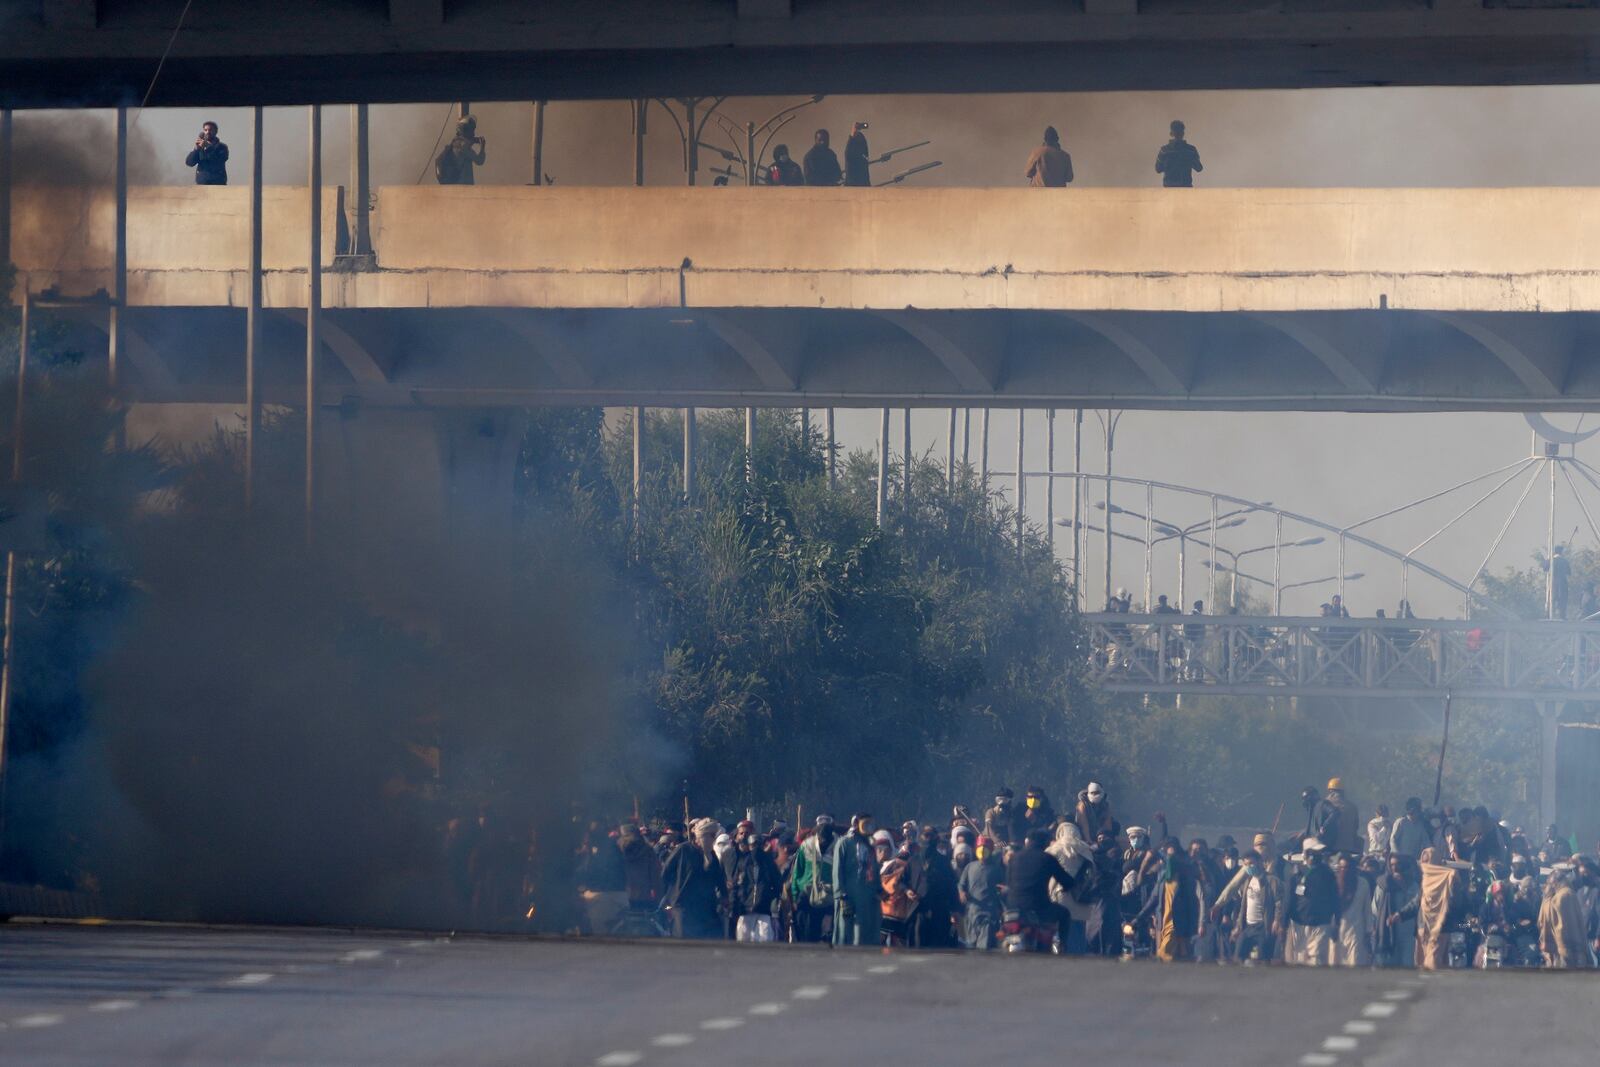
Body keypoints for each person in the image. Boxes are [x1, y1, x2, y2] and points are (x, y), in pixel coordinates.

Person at [662, 818, 728, 939]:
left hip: (706, 908)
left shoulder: (711, 855)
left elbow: (719, 878)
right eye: (712, 835)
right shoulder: (683, 850)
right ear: (703, 835)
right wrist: (665, 896)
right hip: (684, 906)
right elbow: (666, 872)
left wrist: (725, 897)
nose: (714, 839)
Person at [1212, 848, 1282, 963]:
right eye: (1246, 865)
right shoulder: (1247, 880)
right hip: (1247, 927)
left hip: (1262, 927)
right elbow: (1242, 905)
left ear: (1260, 862)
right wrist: (1238, 925)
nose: (1249, 867)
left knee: (1263, 960)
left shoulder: (1272, 881)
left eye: (1251, 863)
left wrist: (1276, 920)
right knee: (1238, 956)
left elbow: (1279, 903)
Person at [1005, 829, 1072, 938]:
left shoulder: (1015, 857)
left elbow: (1008, 882)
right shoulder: (1047, 858)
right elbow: (1066, 881)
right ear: (1044, 842)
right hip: (1038, 907)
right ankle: (1062, 946)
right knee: (1065, 914)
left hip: (1013, 905)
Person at [831, 812, 883, 947]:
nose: (869, 827)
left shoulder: (870, 846)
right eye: (866, 824)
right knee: (847, 933)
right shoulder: (844, 843)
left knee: (867, 934)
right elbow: (837, 872)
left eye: (872, 824)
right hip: (849, 897)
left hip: (868, 898)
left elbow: (875, 871)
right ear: (856, 824)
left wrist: (879, 889)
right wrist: (841, 895)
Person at [1047, 822, 1098, 954]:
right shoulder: (1086, 848)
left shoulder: (1056, 848)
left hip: (1062, 897)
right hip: (1083, 898)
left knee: (1062, 935)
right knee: (1079, 934)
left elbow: (1045, 870)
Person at [1285, 839, 1339, 965]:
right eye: (1314, 852)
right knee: (1300, 958)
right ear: (1306, 854)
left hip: (1321, 924)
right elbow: (1289, 900)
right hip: (1299, 924)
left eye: (1319, 853)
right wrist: (1283, 923)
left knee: (1317, 960)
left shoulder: (1328, 874)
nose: (1317, 856)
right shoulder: (1296, 874)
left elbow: (1334, 899)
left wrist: (1336, 922)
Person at [730, 823, 784, 942]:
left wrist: (770, 898)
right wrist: (735, 905)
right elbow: (736, 886)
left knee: (764, 940)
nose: (755, 848)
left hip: (764, 910)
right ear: (749, 846)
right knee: (743, 941)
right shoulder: (743, 863)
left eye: (758, 845)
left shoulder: (769, 864)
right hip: (745, 910)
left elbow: (777, 885)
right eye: (753, 845)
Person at [907, 825, 959, 947]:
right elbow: (902, 881)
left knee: (939, 946)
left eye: (931, 835)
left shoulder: (943, 861)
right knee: (919, 944)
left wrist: (954, 910)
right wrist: (907, 891)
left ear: (936, 839)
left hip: (940, 911)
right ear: (921, 837)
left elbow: (952, 887)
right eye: (926, 835)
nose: (928, 838)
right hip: (919, 910)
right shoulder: (913, 861)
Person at [789, 815, 837, 942]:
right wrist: (794, 896)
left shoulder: (838, 846)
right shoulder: (806, 845)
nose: (822, 841)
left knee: (824, 935)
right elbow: (797, 873)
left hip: (828, 897)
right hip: (806, 896)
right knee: (804, 932)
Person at [1538, 863, 1595, 968]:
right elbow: (1571, 927)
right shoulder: (1567, 895)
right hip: (1568, 953)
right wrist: (1577, 951)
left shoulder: (1548, 898)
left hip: (1552, 951)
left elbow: (1541, 923)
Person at [1371, 853, 1421, 967]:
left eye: (1398, 864)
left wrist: (1403, 885)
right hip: (1387, 932)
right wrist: (1374, 929)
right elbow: (1375, 909)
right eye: (1392, 864)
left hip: (1408, 935)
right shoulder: (1383, 885)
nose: (1395, 867)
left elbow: (1416, 905)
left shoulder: (1413, 885)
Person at [958, 836, 1006, 949]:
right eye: (980, 847)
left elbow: (1003, 887)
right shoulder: (969, 867)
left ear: (991, 850)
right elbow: (961, 884)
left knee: (984, 946)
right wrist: (961, 892)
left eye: (986, 848)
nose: (983, 850)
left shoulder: (997, 869)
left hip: (989, 913)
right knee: (971, 944)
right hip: (972, 912)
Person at [1313, 778, 1362, 857]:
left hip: (1330, 848)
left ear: (1330, 791)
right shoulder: (1352, 807)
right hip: (1348, 847)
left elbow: (1319, 825)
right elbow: (1356, 827)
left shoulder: (1326, 805)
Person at [435, 115, 486, 185]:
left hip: (455, 184)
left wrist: (473, 141)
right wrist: (482, 147)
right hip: (463, 185)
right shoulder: (464, 146)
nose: (473, 133)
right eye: (471, 130)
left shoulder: (455, 143)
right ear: (466, 130)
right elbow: (479, 161)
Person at [1154, 120, 1203, 188]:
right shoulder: (1190, 150)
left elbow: (1158, 169)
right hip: (1185, 188)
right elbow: (1199, 168)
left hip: (1169, 188)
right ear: (1183, 133)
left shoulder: (1164, 150)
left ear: (1171, 133)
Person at [843, 122, 871, 187]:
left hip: (859, 183)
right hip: (854, 183)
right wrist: (852, 135)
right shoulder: (852, 154)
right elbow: (848, 154)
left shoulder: (862, 156)